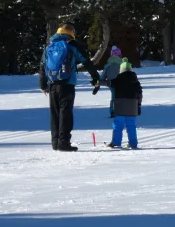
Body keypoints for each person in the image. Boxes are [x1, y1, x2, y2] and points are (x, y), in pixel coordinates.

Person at [38, 24, 100, 152]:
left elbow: (42, 66)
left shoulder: (49, 46)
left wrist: (42, 85)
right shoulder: (72, 45)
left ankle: (55, 142)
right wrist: (95, 78)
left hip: (52, 85)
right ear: (71, 33)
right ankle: (64, 143)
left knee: (54, 114)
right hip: (67, 84)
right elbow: (86, 62)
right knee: (65, 114)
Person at [107, 59, 142, 149]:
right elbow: (140, 94)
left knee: (118, 125)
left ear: (121, 70)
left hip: (120, 106)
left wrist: (97, 82)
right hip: (132, 106)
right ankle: (133, 144)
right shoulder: (136, 81)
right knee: (131, 125)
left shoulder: (118, 79)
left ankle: (116, 142)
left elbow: (109, 83)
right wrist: (138, 105)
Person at [99, 46, 125, 118]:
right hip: (121, 83)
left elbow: (103, 76)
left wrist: (101, 81)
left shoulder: (108, 65)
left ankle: (112, 111)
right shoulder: (122, 64)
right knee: (121, 96)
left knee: (113, 96)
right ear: (119, 55)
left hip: (111, 83)